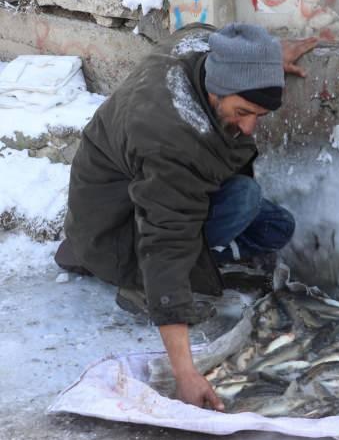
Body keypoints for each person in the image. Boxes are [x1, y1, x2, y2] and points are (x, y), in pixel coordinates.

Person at [54, 23, 317, 411]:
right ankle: (142, 286)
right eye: (243, 112)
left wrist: (266, 62)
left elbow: (227, 44)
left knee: (276, 227)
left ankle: (195, 266)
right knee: (241, 201)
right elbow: (165, 242)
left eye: (259, 114)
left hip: (134, 198)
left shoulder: (202, 48)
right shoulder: (171, 139)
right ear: (215, 90)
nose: (249, 127)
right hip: (117, 228)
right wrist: (185, 374)